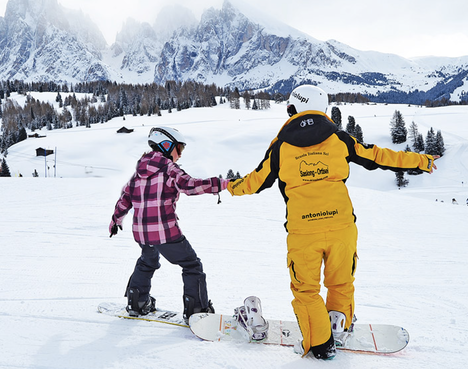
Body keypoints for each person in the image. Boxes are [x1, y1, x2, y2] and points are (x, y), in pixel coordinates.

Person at [226, 85, 439, 360]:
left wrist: (232, 187)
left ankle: (321, 344)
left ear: (292, 108)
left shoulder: (280, 145)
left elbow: (256, 181)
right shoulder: (340, 138)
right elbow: (378, 155)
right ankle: (337, 327)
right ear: (322, 109)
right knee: (341, 284)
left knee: (306, 290)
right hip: (341, 227)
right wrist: (420, 161)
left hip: (304, 232)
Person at [109, 126, 229, 322]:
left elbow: (125, 198)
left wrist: (116, 220)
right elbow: (190, 186)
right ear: (166, 146)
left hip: (141, 232)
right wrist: (221, 184)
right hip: (165, 232)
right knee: (191, 265)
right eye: (179, 149)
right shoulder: (168, 168)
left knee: (148, 261)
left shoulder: (138, 172)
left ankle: (137, 303)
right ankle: (197, 310)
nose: (179, 155)